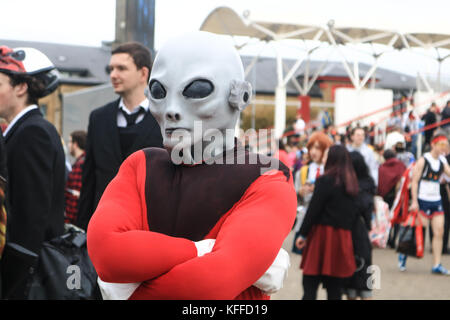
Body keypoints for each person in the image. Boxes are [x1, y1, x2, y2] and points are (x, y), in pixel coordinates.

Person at [87, 31, 297, 300]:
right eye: (159, 91)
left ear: (240, 96)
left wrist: (128, 290)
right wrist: (204, 250)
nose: (172, 109)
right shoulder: (141, 164)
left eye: (197, 90)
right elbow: (107, 253)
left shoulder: (265, 175)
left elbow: (210, 283)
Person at [76, 42, 163, 231]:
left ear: (143, 73)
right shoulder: (98, 118)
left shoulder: (164, 119)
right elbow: (89, 178)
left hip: (149, 229)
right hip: (103, 227)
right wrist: (82, 231)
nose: (113, 75)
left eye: (121, 68)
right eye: (111, 69)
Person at [0, 46, 65, 298]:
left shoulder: (32, 132)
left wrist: (13, 276)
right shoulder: (27, 129)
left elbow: (31, 215)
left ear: (21, 87)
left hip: (26, 273)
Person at [295, 145, 359, 300]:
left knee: (310, 284)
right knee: (335, 290)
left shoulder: (325, 181)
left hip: (321, 236)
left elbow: (313, 211)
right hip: (342, 238)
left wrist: (302, 234)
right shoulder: (352, 184)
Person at [399, 131, 450, 274]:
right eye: (441, 145)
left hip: (436, 200)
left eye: (445, 146)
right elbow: (414, 182)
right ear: (433, 144)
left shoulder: (442, 161)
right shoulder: (423, 160)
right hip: (422, 199)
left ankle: (437, 264)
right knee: (417, 231)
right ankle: (403, 255)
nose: (443, 149)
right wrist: (414, 201)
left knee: (439, 232)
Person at [344, 151, 376, 300]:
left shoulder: (346, 184)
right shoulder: (369, 183)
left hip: (348, 231)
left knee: (352, 272)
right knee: (365, 269)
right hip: (363, 232)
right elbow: (368, 209)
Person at [64, 130, 87, 225]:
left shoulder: (80, 165)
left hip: (75, 221)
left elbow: (74, 196)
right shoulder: (84, 162)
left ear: (75, 144)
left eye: (70, 141)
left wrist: (67, 221)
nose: (68, 145)